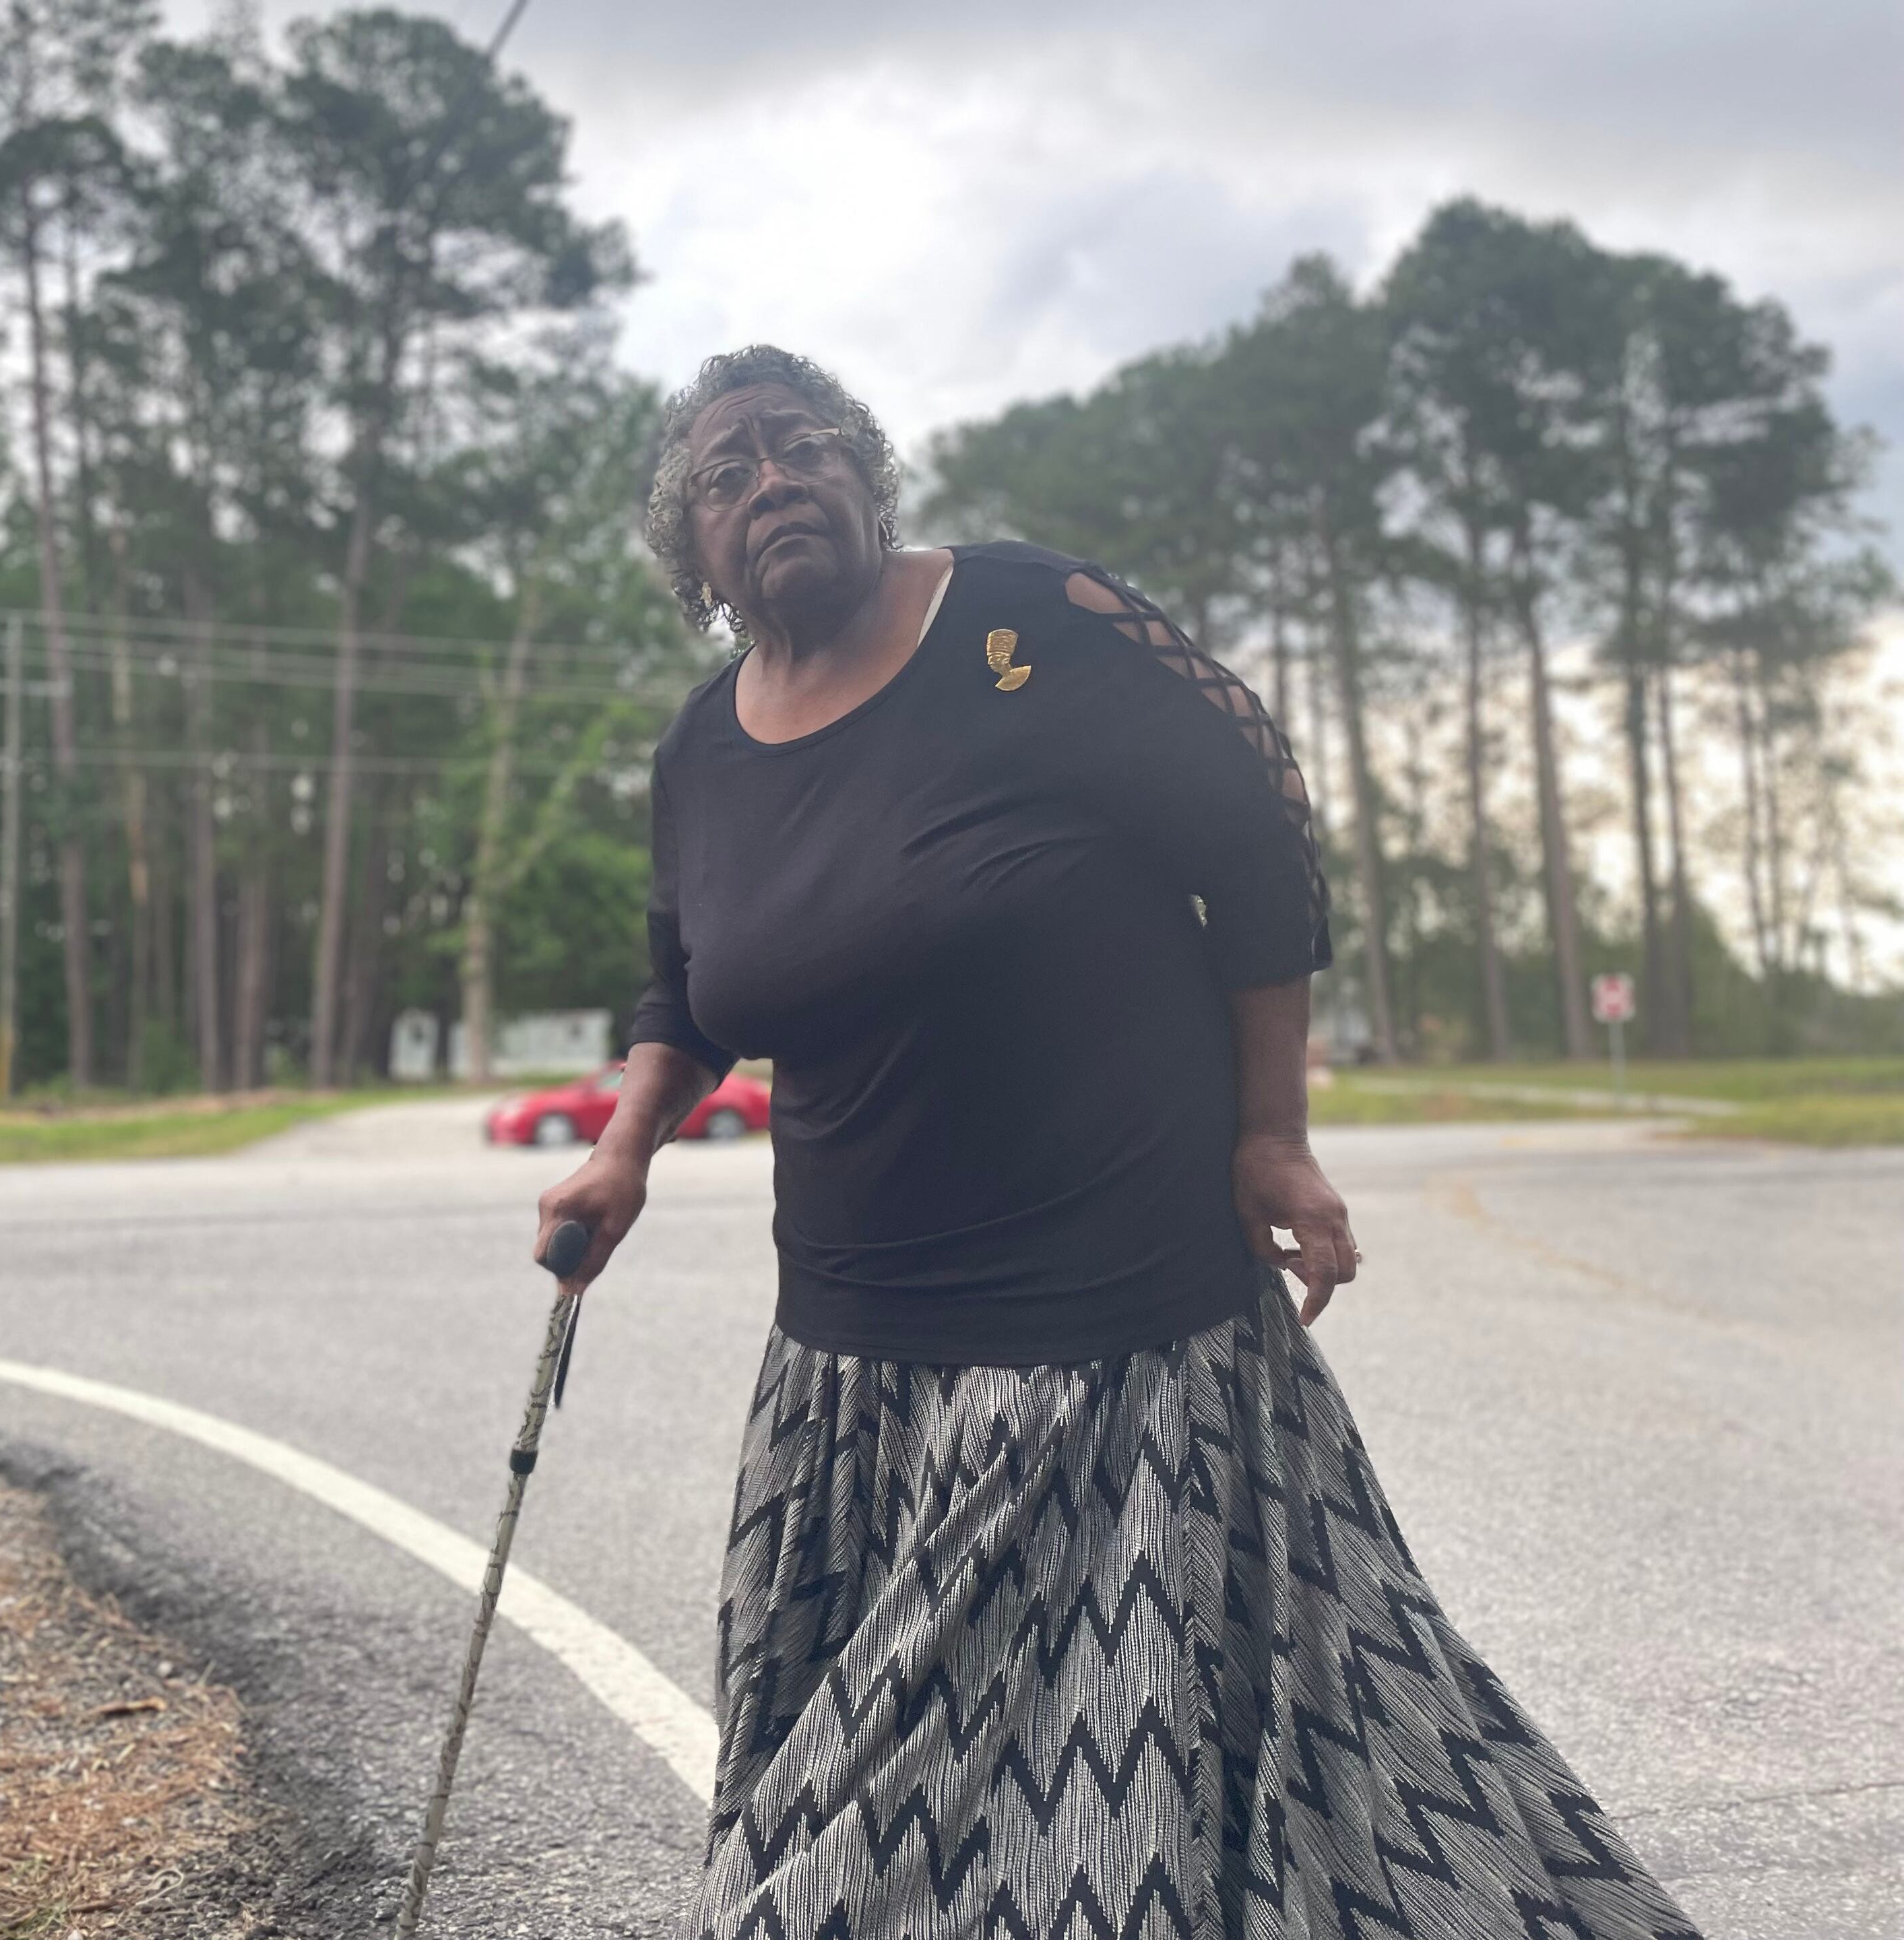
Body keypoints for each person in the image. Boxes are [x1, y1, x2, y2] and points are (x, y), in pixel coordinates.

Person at [534, 345, 1703, 1940]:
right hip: (851, 1366)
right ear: (699, 560)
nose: (774, 484)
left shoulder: (1032, 624)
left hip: (1118, 1335)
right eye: (727, 478)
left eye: (803, 447)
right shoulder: (703, 750)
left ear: (868, 478)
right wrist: (624, 1153)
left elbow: (1262, 832)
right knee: (881, 1786)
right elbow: (685, 982)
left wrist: (1275, 1130)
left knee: (1057, 1807)